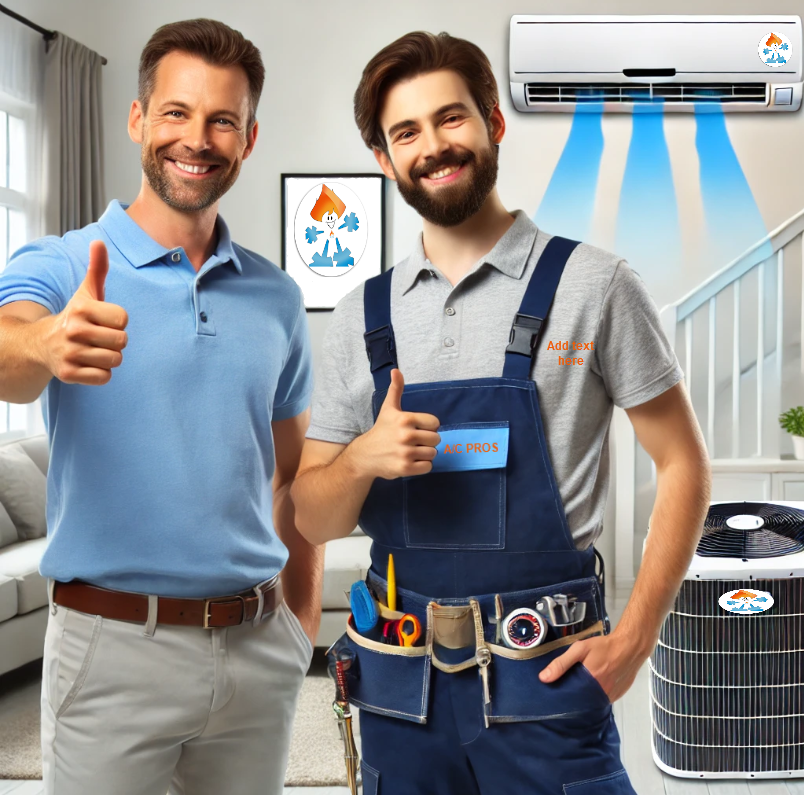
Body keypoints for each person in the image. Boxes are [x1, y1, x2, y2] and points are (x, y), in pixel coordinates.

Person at [290, 30, 711, 795]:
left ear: (493, 122)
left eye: (451, 118)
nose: (433, 146)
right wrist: (362, 458)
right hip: (400, 689)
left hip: (543, 682)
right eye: (406, 132)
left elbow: (684, 462)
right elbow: (313, 518)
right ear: (384, 160)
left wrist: (637, 636)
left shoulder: (596, 284)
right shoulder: (361, 316)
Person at [0, 18, 323, 795]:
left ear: (247, 141)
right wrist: (46, 344)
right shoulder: (65, 261)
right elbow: (8, 355)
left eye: (223, 120)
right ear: (139, 119)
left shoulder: (278, 297)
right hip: (112, 648)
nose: (199, 138)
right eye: (177, 112)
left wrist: (298, 624)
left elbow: (293, 475)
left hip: (256, 650)